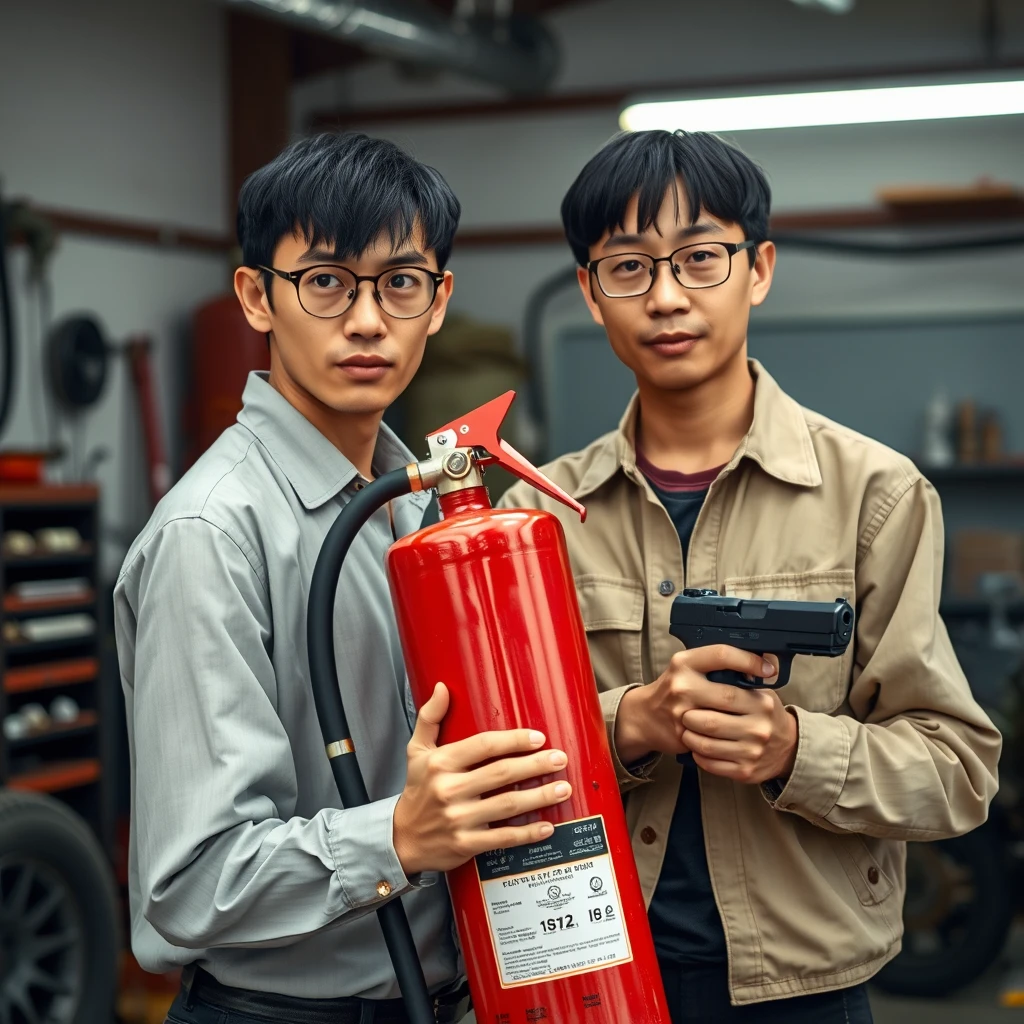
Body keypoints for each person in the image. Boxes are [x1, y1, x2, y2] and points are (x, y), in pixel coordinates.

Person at [500, 128, 1001, 1024]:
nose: (664, 298)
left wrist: (795, 750)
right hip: (588, 974)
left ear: (759, 269)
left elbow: (957, 771)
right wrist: (630, 724)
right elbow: (494, 757)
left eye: (700, 259)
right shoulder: (535, 518)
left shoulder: (875, 498)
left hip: (802, 995)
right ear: (588, 290)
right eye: (627, 267)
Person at [114, 132, 573, 1024]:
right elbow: (190, 883)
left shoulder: (414, 502)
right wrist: (400, 835)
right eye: (325, 281)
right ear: (257, 297)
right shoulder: (214, 535)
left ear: (438, 303)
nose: (367, 320)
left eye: (400, 283)